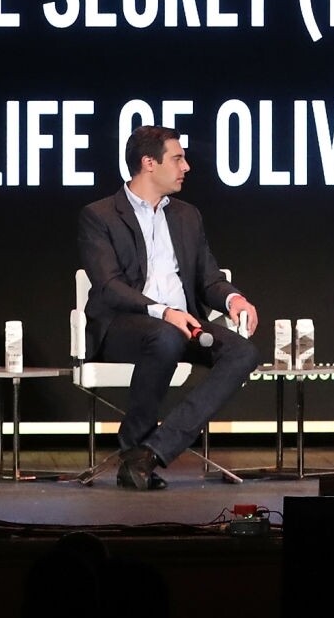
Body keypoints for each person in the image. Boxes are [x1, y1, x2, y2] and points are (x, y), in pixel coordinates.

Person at [78, 124, 261, 490]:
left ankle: (150, 452)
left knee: (243, 352)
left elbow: (208, 279)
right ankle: (134, 445)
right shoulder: (100, 215)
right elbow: (109, 286)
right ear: (149, 163)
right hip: (125, 325)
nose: (186, 167)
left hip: (184, 324)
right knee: (165, 336)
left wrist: (234, 299)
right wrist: (163, 312)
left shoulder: (187, 215)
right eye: (178, 158)